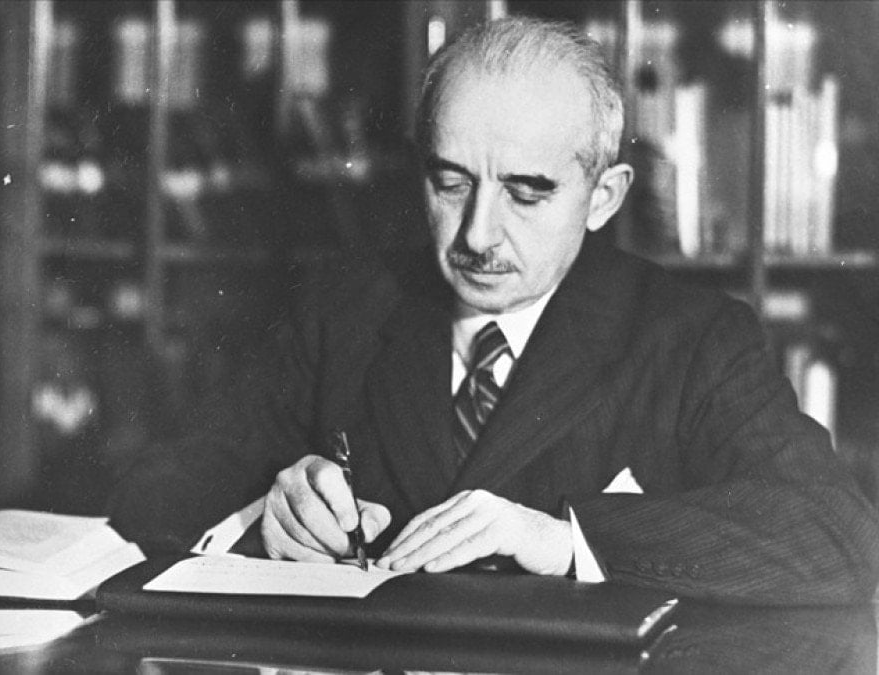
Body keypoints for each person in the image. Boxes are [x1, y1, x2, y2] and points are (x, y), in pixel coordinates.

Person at [108, 17, 879, 604]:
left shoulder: (692, 336)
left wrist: (565, 539)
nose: (477, 234)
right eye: (451, 183)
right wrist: (265, 515)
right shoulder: (344, 307)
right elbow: (153, 491)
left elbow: (839, 539)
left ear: (603, 197)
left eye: (526, 192)